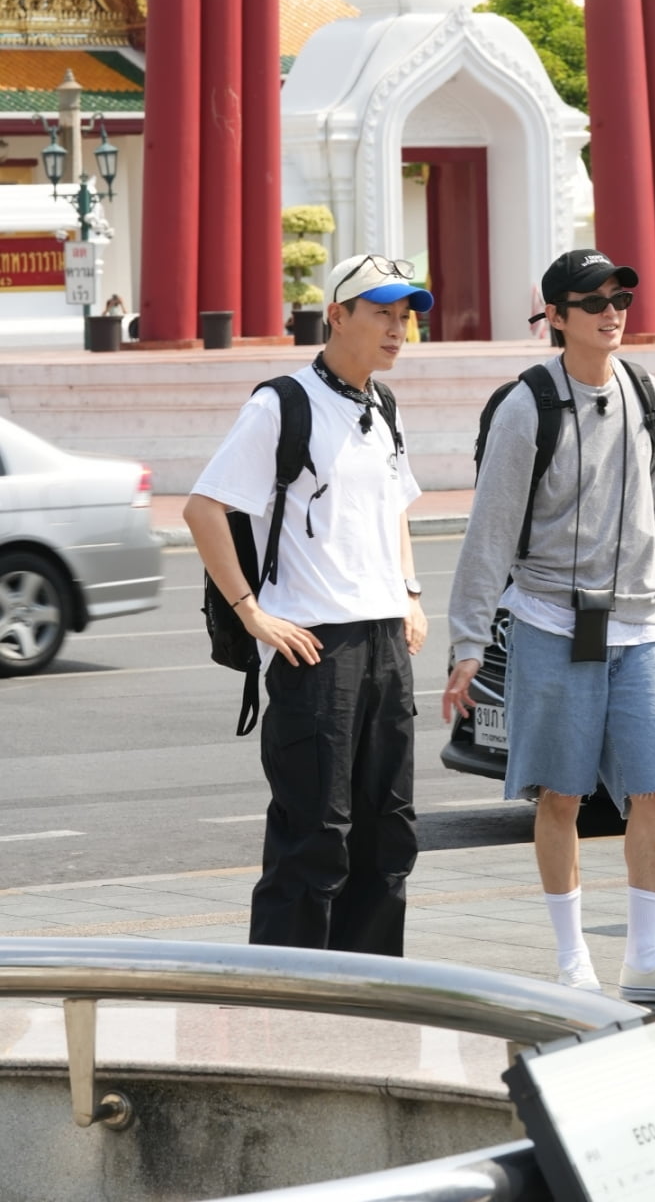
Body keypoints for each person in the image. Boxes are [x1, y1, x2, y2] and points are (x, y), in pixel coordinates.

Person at [443, 249, 655, 1004]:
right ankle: (573, 961)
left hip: (635, 624)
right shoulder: (526, 405)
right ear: (557, 317)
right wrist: (468, 642)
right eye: (593, 301)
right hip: (550, 619)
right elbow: (490, 530)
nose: (612, 312)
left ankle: (646, 956)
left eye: (621, 299)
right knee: (561, 795)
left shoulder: (646, 391)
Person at [184, 253, 433, 955]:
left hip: (386, 642)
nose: (396, 329)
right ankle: (285, 1006)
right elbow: (203, 510)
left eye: (404, 316)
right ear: (337, 316)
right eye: (381, 313)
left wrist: (409, 592)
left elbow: (396, 508)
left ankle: (374, 994)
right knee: (314, 838)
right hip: (316, 649)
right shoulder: (281, 405)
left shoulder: (381, 406)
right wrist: (251, 613)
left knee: (389, 833)